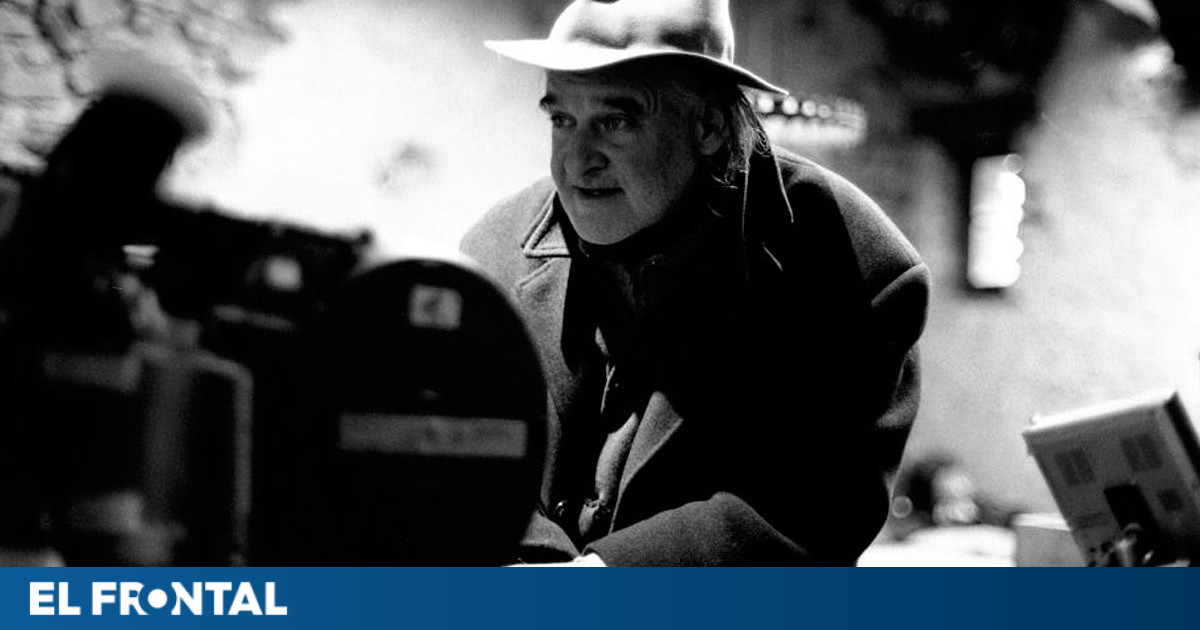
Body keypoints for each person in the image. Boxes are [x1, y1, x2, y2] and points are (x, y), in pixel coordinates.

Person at [461, 0, 929, 566]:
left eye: (615, 122)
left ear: (707, 126)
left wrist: (605, 579)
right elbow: (460, 459)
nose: (575, 163)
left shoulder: (853, 267)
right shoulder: (491, 255)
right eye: (562, 120)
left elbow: (815, 505)